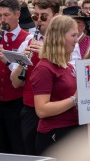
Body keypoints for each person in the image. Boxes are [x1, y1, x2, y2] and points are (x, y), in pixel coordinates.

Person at [10, 0, 61, 155]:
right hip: (30, 110)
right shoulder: (28, 42)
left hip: (56, 110)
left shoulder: (67, 42)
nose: (38, 21)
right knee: (30, 152)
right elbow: (15, 83)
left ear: (56, 17)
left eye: (44, 16)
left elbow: (71, 74)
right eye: (35, 16)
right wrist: (21, 63)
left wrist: (47, 53)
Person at [31, 15, 79, 155]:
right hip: (54, 135)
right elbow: (42, 110)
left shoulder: (68, 66)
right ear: (60, 37)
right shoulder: (44, 68)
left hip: (71, 131)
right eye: (73, 35)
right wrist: (74, 99)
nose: (77, 40)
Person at [0, 0, 30, 154]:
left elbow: (24, 72)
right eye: (0, 15)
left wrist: (6, 61)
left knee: (17, 145)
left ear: (17, 14)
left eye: (6, 15)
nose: (2, 19)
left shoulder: (27, 39)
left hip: (16, 102)